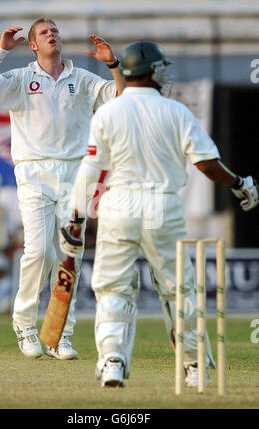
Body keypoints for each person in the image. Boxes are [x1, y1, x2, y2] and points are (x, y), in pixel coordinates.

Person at [61, 41, 259, 387]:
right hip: (163, 207)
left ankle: (112, 361)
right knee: (179, 288)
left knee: (112, 288)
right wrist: (239, 182)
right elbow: (207, 165)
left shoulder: (109, 113)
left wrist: (75, 217)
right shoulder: (176, 111)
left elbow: (90, 170)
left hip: (118, 206)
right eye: (161, 68)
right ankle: (195, 367)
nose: (165, 73)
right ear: (150, 72)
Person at [0, 17, 126, 360]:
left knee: (69, 258)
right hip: (34, 173)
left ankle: (59, 335)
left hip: (75, 174)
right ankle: (25, 325)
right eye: (44, 33)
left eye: (55, 30)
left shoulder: (81, 78)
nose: (52, 35)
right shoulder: (22, 78)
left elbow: (122, 96)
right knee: (39, 252)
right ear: (33, 45)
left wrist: (113, 64)